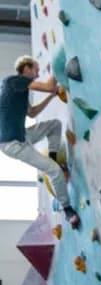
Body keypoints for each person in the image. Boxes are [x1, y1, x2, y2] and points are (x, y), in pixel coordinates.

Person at [0, 55, 80, 228]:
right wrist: (58, 63)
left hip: (22, 135)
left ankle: (52, 156)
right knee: (55, 172)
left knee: (54, 125)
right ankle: (67, 209)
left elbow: (32, 113)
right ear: (26, 68)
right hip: (12, 145)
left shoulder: (20, 89)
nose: (37, 74)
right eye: (36, 70)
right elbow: (49, 85)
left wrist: (51, 97)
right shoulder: (13, 81)